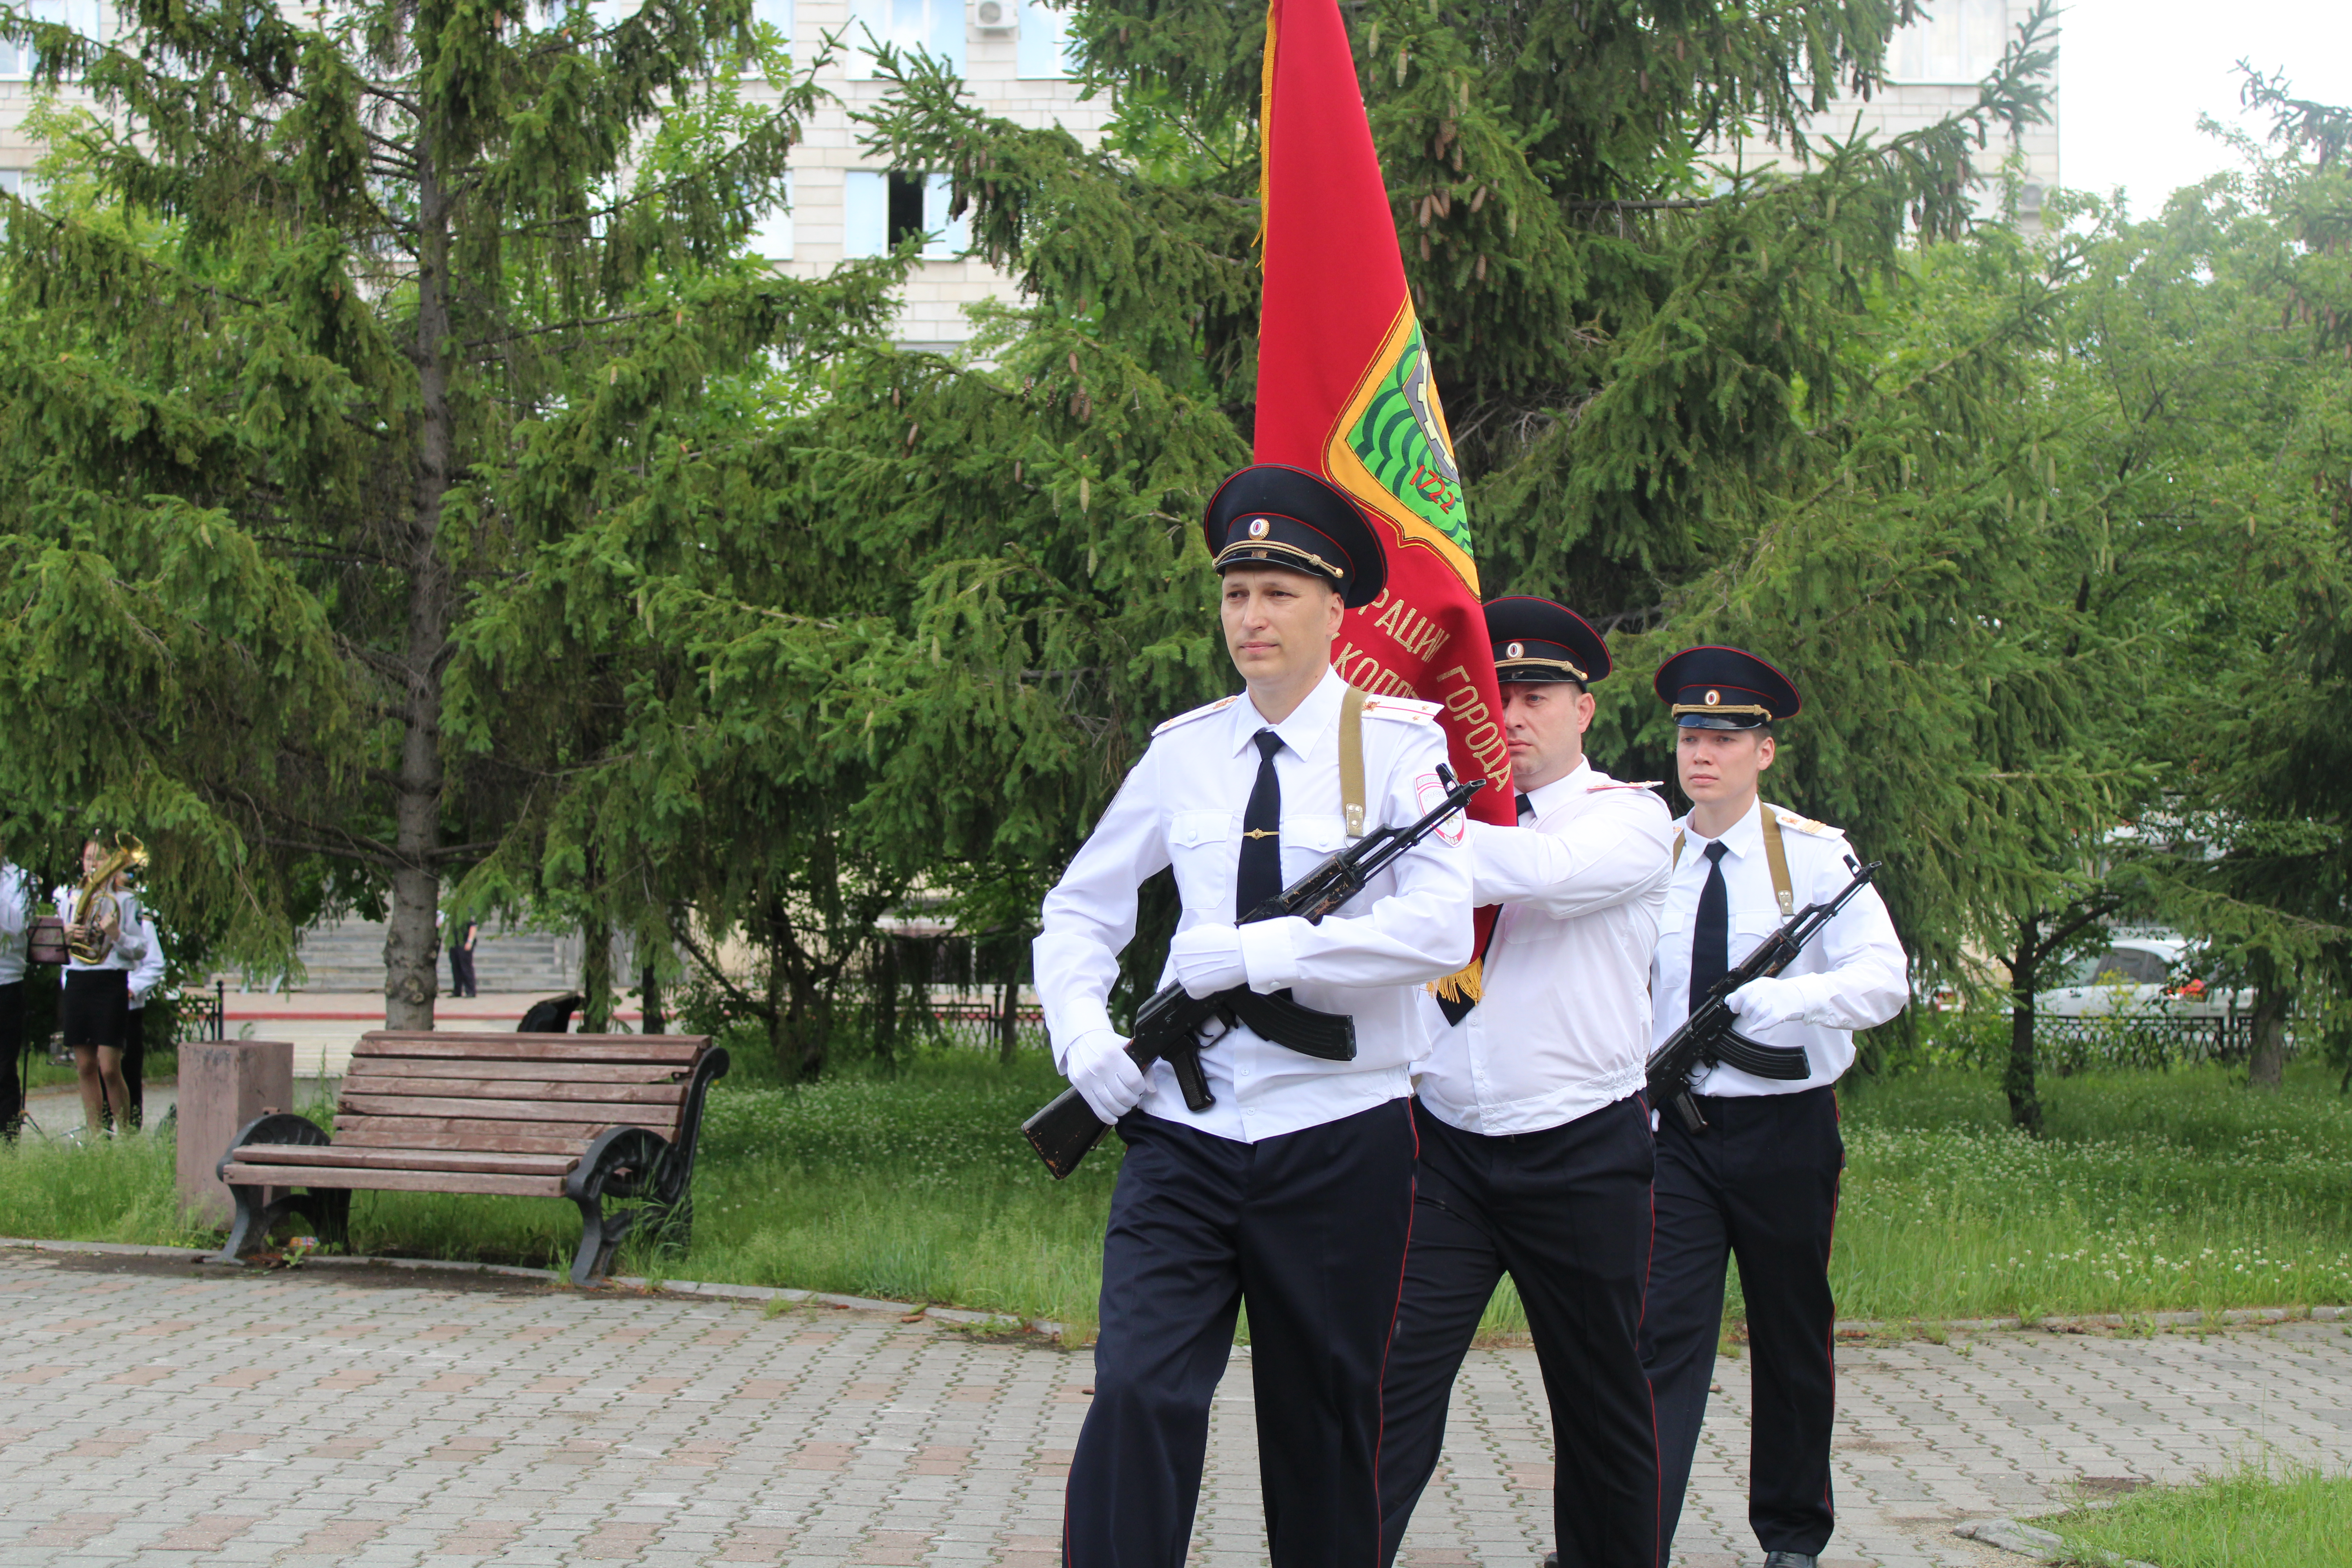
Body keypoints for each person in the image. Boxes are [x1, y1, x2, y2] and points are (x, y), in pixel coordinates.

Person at [1033, 463, 1475, 1568]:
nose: (1252, 617)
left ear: (1337, 609)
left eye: (1279, 593)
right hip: (1185, 1138)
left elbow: (1441, 932)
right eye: (1237, 594)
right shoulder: (1185, 753)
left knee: (1325, 1428)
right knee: (1136, 1392)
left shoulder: (1400, 749)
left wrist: (1272, 949)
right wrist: (1084, 1037)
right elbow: (1080, 908)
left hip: (1339, 1137)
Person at [1378, 597, 1673, 1568]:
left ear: (1582, 710)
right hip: (1445, 1149)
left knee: (1601, 1406)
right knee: (1386, 1387)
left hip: (1581, 1146)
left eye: (1536, 694)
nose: (1510, 712)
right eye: (1495, 692)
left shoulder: (1630, 816)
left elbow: (1539, 874)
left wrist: (1410, 830)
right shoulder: (1439, 817)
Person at [1640, 648, 1907, 1568]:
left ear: (1765, 751)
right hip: (1675, 1131)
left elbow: (1885, 979)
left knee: (1791, 1332)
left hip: (1785, 1128)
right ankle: (1635, 1534)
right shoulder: (1654, 853)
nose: (1700, 753)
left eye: (1722, 736)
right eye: (1689, 735)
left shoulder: (1811, 855)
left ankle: (1792, 1535)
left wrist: (1790, 999)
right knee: (1660, 1333)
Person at [54, 838, 153, 1138]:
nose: (92, 864)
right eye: (88, 859)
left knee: (109, 1067)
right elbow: (57, 947)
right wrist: (66, 934)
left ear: (111, 862)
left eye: (99, 858)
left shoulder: (127, 900)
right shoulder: (71, 897)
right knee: (84, 1065)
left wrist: (117, 935)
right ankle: (96, 1135)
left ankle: (126, 1134)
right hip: (79, 981)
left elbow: (140, 950)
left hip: (110, 983)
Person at [122, 913, 165, 1130]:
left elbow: (155, 964)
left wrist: (133, 988)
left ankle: (131, 1128)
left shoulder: (139, 920)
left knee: (128, 1070)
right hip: (92, 1000)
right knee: (94, 1068)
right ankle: (99, 1129)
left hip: (128, 1007)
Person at [0, 852, 31, 1142]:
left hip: (6, 983)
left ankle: (7, 1144)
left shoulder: (22, 879)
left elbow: (17, 925)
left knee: (3, 1068)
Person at [450, 916, 479, 998]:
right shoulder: (454, 910)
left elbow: (473, 926)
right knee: (456, 967)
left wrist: (470, 941)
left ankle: (471, 991)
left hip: (465, 941)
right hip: (455, 942)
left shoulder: (468, 910)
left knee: (466, 967)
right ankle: (457, 991)